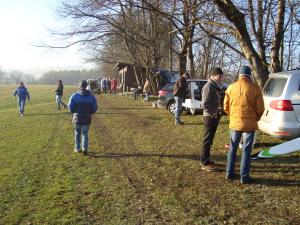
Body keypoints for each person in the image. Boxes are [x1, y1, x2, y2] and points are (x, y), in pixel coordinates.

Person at [223, 66, 264, 184]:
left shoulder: (230, 87)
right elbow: (260, 108)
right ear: (249, 75)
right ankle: (244, 176)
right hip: (250, 124)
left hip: (235, 123)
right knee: (246, 150)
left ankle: (229, 173)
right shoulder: (255, 88)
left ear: (240, 75)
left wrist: (232, 116)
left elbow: (225, 106)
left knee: (232, 148)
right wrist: (255, 118)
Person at [200, 67, 224, 171]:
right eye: (219, 76)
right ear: (213, 76)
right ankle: (204, 163)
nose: (221, 78)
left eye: (222, 76)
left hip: (214, 116)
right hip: (210, 117)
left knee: (210, 140)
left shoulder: (215, 86)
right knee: (207, 140)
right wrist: (213, 113)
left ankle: (207, 160)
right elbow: (204, 104)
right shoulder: (209, 86)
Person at [68, 80, 98, 155]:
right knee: (85, 133)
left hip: (77, 117)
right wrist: (91, 112)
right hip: (87, 117)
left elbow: (70, 107)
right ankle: (85, 148)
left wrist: (73, 112)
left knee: (77, 133)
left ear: (79, 86)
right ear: (86, 86)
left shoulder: (74, 96)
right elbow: (95, 107)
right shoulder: (91, 96)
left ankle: (77, 148)